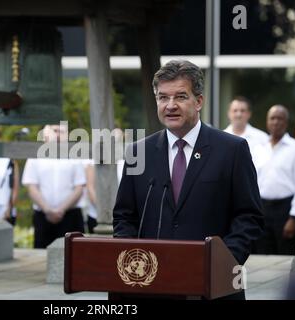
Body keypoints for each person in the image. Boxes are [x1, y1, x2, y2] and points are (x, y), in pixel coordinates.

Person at [113, 60, 264, 299]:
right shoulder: (138, 152)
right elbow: (124, 217)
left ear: (199, 101)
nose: (170, 105)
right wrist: (135, 262)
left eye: (180, 97)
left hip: (214, 286)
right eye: (163, 98)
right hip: (151, 287)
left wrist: (223, 261)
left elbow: (249, 216)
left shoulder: (232, 149)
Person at [251, 106, 295, 255]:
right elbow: (253, 181)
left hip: (285, 210)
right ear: (267, 122)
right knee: (261, 256)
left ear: (286, 122)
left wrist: (294, 217)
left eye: (280, 118)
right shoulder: (258, 148)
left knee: (285, 256)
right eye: (272, 118)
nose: (276, 122)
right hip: (261, 209)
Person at [22, 124, 86, 248]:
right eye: (54, 130)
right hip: (43, 216)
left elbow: (79, 188)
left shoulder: (75, 157)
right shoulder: (34, 156)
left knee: (73, 255)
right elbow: (31, 187)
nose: (57, 134)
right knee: (41, 254)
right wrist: (48, 210)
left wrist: (61, 209)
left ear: (67, 135)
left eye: (61, 131)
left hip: (70, 216)